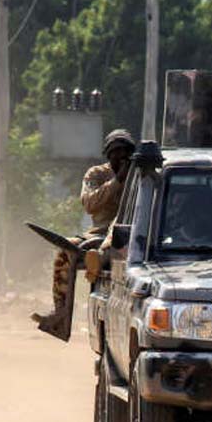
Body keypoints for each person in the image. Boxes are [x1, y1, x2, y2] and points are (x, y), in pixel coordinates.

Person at [33, 129, 136, 329]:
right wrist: (118, 181)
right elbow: (89, 203)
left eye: (125, 152)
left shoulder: (139, 175)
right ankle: (59, 313)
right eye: (116, 152)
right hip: (98, 233)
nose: (121, 157)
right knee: (65, 250)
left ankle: (99, 258)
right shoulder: (97, 174)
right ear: (108, 154)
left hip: (130, 233)